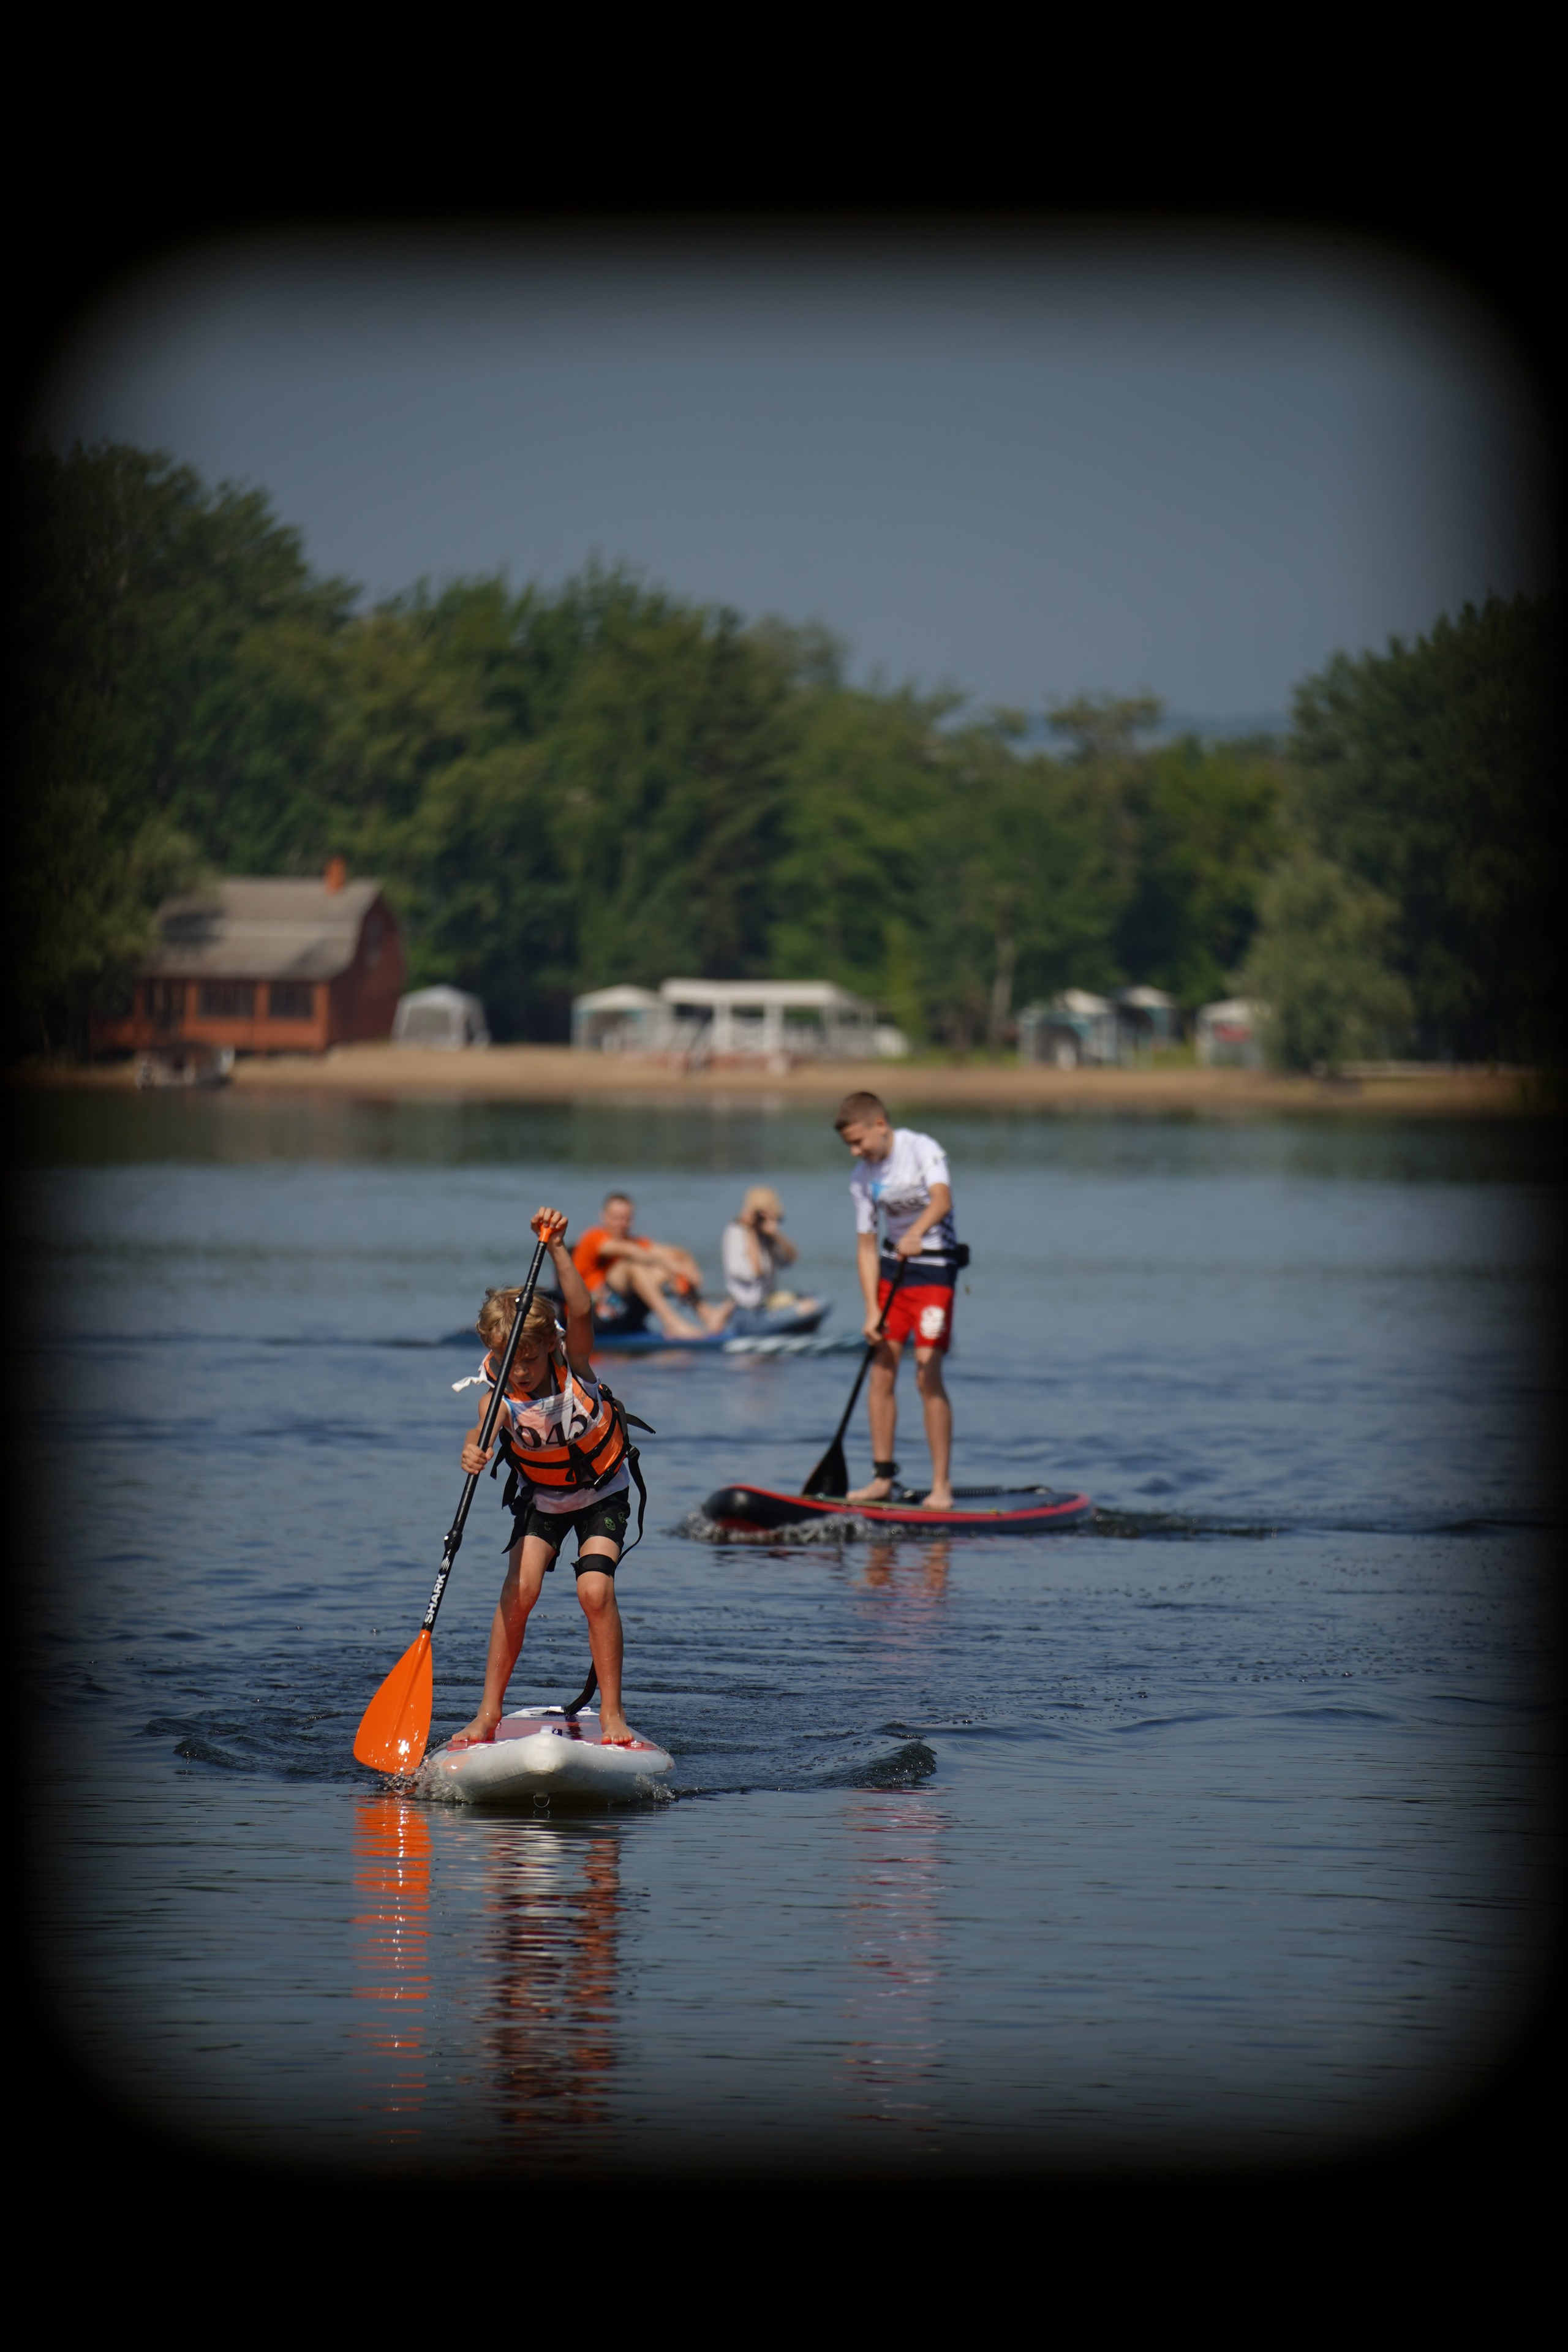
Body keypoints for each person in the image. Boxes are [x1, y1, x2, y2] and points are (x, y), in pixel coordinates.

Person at [448, 1205, 648, 1749]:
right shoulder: (500, 1394)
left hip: (602, 1492)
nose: (520, 1371)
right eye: (509, 1360)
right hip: (543, 1499)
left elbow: (580, 1307)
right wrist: (473, 1451)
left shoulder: (573, 1362)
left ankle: (612, 1714)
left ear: (550, 1347)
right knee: (520, 1592)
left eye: (531, 1360)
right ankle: (487, 1715)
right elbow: (483, 1429)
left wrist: (558, 1247)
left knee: (594, 1590)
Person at [833, 1091, 963, 1511]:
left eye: (859, 1142)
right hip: (893, 1274)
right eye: (849, 1146)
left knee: (926, 1375)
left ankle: (941, 1485)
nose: (856, 1152)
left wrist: (916, 1232)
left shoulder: (921, 1148)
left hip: (935, 1273)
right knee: (881, 1373)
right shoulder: (862, 1177)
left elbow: (942, 1200)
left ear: (880, 1125)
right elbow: (866, 1248)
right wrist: (871, 1310)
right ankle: (882, 1480)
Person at [571, 1191, 731, 1337]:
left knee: (665, 1267)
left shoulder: (634, 1242)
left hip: (625, 1313)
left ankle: (707, 1314)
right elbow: (628, 1250)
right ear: (603, 1216)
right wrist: (669, 1266)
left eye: (627, 1219)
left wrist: (688, 1267)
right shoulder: (593, 1237)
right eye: (616, 1218)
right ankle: (673, 1324)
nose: (622, 1224)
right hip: (591, 1315)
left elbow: (677, 1254)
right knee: (634, 1266)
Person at [720, 1186, 819, 1331]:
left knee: (816, 1300)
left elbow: (791, 1259)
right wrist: (751, 1231)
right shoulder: (736, 1233)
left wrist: (775, 1234)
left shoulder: (768, 1236)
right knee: (807, 1309)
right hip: (747, 1313)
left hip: (768, 1306)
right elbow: (755, 1273)